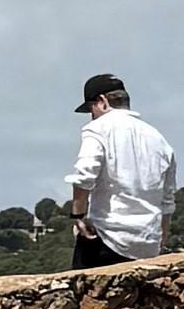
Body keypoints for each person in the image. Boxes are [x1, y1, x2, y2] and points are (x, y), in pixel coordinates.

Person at [66, 70, 178, 271]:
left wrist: (78, 217)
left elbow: (84, 176)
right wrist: (161, 239)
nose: (92, 116)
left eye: (91, 109)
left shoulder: (98, 128)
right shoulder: (158, 139)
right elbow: (167, 200)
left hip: (107, 238)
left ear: (102, 102)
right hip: (148, 242)